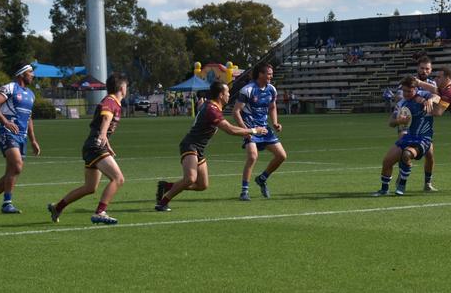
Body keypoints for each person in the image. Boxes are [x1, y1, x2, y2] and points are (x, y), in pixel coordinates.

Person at [154, 81, 267, 211]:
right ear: (220, 95)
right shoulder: (212, 110)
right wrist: (253, 130)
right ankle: (162, 203)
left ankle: (167, 186)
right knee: (190, 178)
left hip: (199, 148)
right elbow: (230, 130)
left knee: (202, 185)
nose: (229, 95)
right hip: (190, 145)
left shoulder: (210, 105)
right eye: (227, 93)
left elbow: (205, 107)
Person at [48, 73, 129, 224]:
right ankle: (100, 212)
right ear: (122, 88)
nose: (127, 89)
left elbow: (102, 124)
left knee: (90, 187)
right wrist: (103, 136)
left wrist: (107, 144)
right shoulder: (111, 101)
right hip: (95, 146)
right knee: (118, 179)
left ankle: (57, 207)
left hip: (93, 145)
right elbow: (106, 118)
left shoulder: (113, 102)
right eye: (126, 86)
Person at [0, 63, 41, 214]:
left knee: (12, 171)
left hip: (23, 137)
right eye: (30, 72)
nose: (33, 75)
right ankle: (7, 204)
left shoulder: (31, 94)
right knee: (17, 166)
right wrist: (5, 122)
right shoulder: (10, 88)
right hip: (7, 134)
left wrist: (33, 140)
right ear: (21, 75)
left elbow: (29, 118)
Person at [373, 77, 440, 196]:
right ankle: (384, 190)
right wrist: (398, 121)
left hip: (423, 137)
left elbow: (438, 95)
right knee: (387, 161)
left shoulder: (424, 95)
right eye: (404, 91)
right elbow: (390, 122)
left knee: (407, 154)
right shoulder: (401, 103)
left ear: (416, 89)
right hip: (408, 136)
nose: (406, 94)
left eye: (409, 91)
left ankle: (402, 184)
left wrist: (431, 100)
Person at [233, 63, 287, 201]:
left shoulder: (272, 90)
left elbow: (272, 107)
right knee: (252, 156)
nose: (271, 76)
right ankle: (244, 191)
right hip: (250, 128)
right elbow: (236, 111)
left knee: (281, 156)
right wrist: (245, 130)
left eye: (271, 73)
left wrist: (275, 122)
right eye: (269, 73)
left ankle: (262, 178)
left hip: (264, 129)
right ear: (260, 74)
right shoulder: (248, 90)